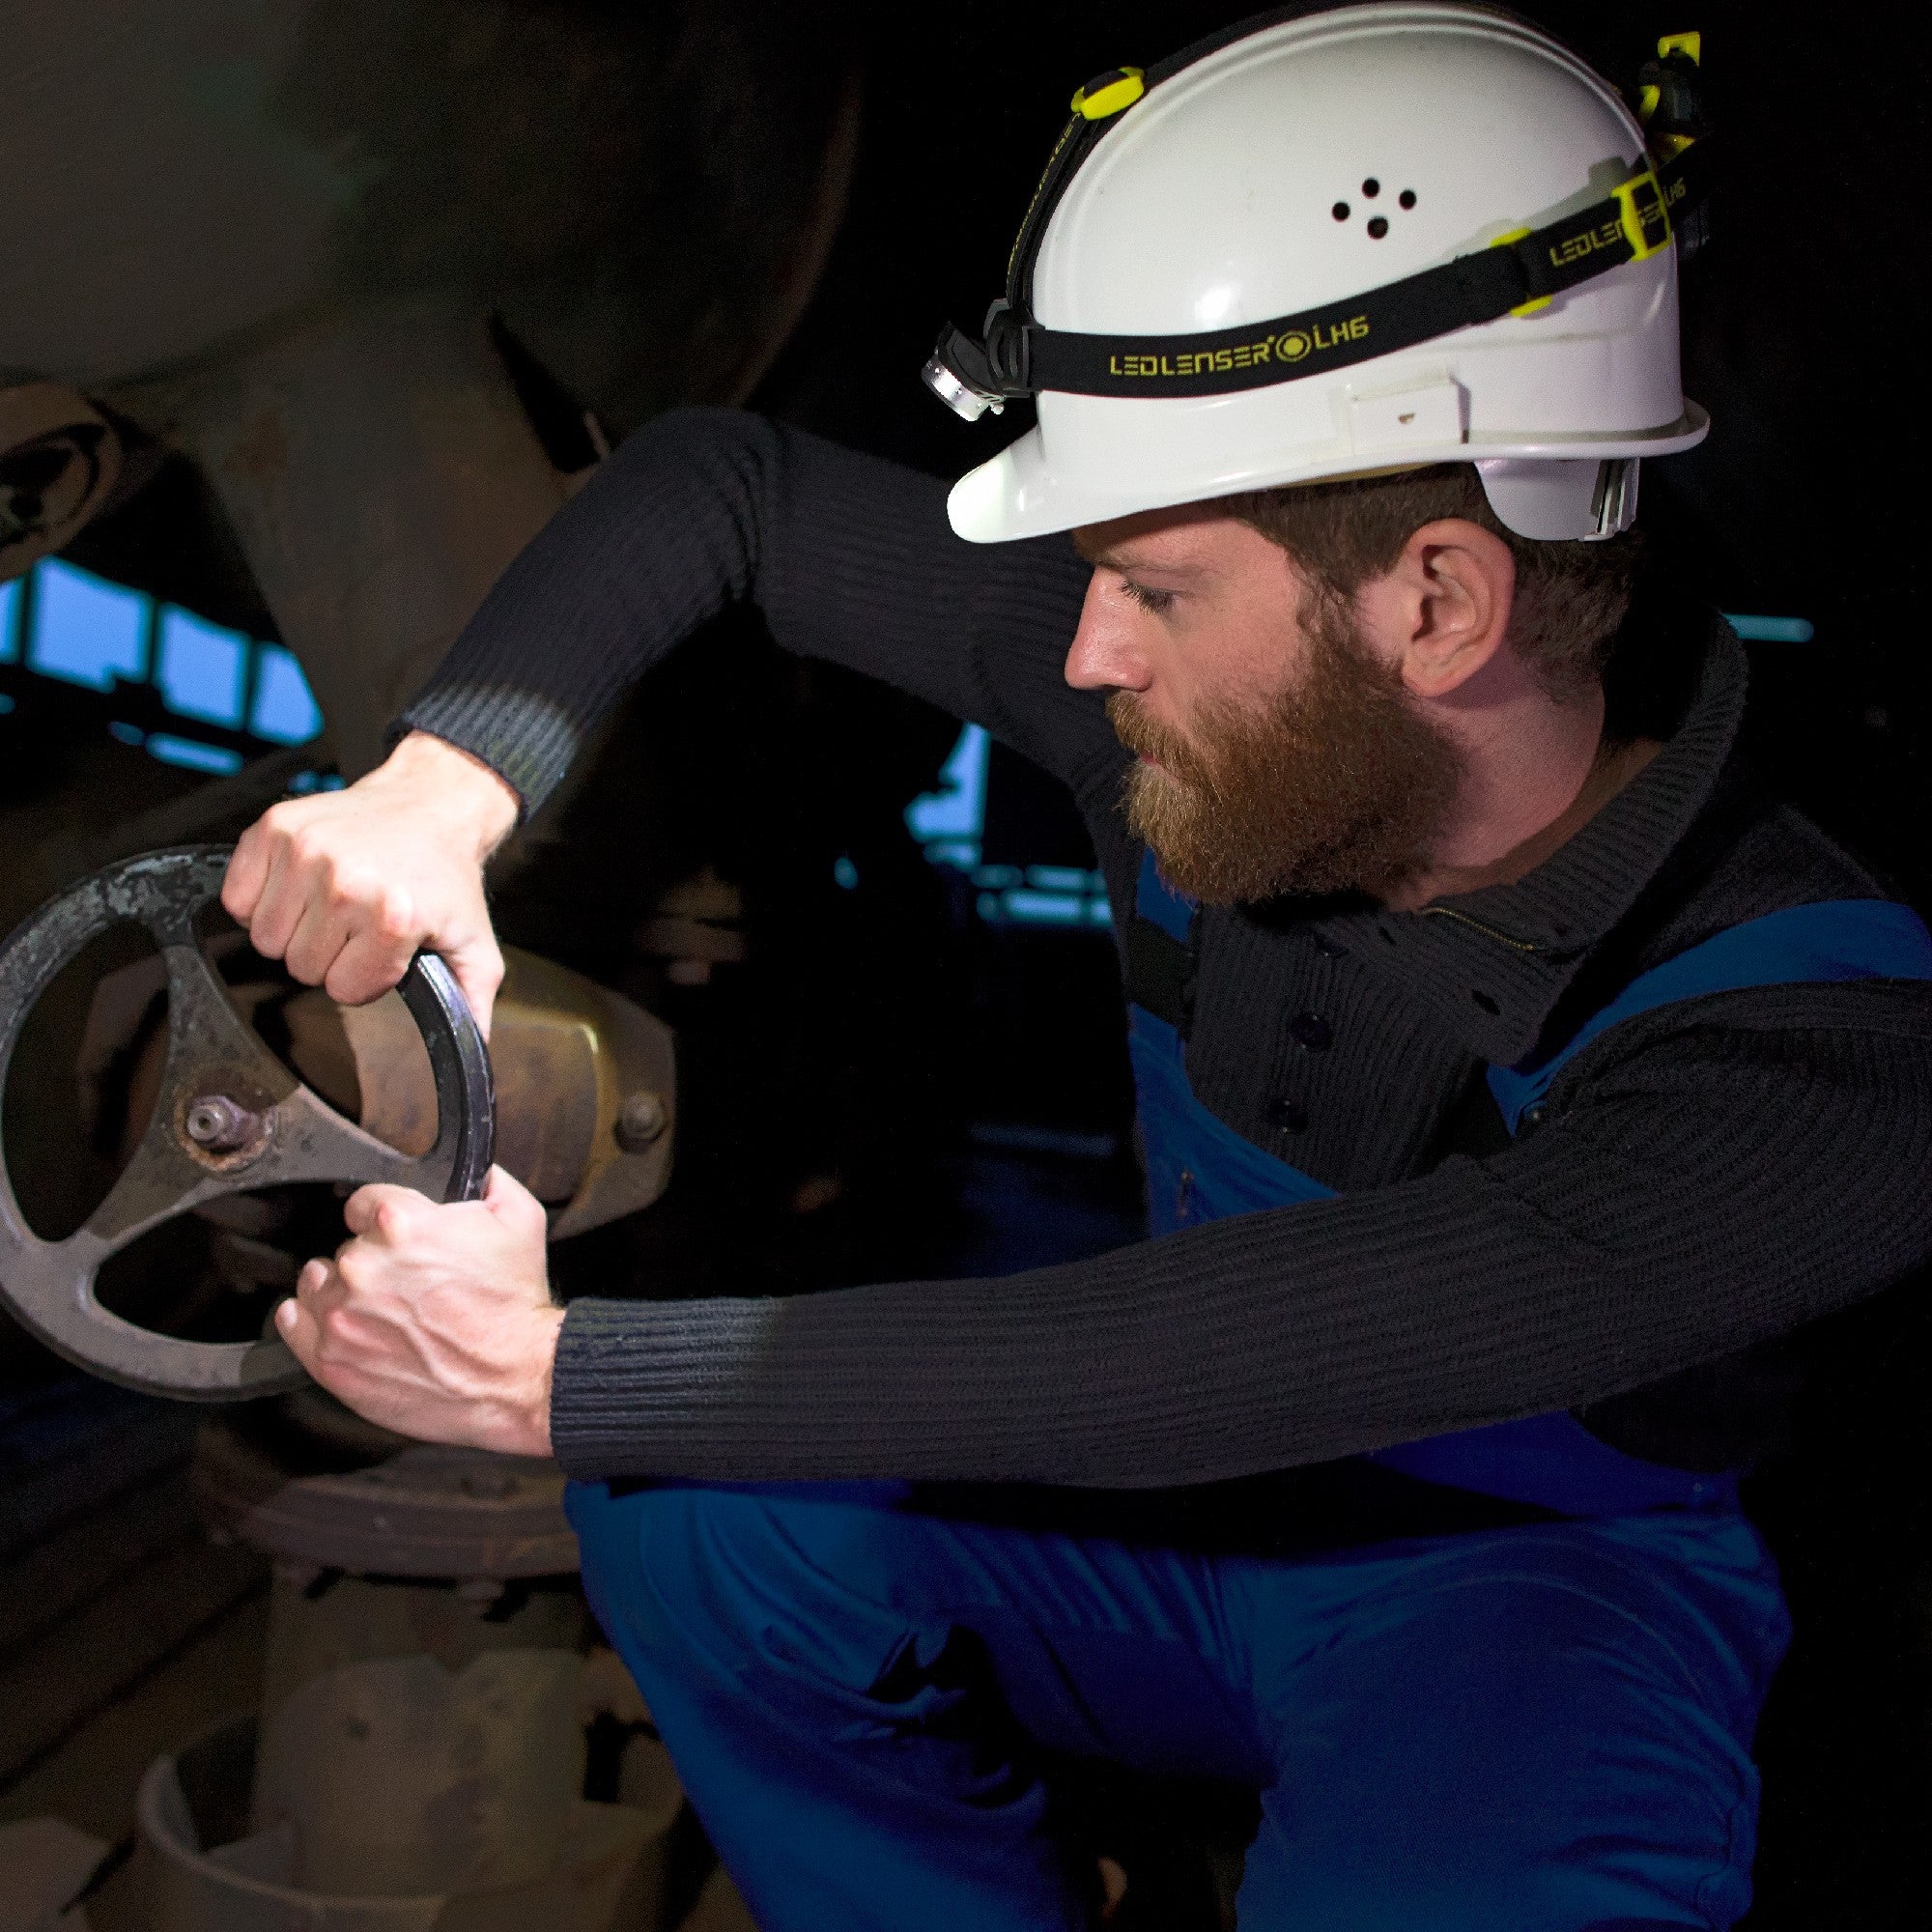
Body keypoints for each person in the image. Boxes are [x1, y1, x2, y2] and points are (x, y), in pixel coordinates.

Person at [220, 9, 1932, 1927]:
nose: (1086, 649)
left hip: (1537, 1594)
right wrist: (450, 781)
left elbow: (1236, 1352)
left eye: (1155, 588)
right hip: (1182, 1527)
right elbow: (731, 486)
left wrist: (552, 1371)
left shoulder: (1817, 1024)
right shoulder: (1256, 699)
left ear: (1435, 600)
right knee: (707, 1526)